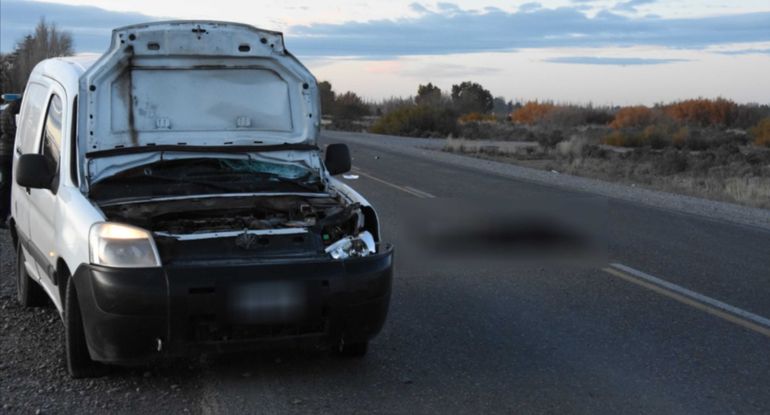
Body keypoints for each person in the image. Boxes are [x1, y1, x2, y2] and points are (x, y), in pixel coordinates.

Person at [0, 99, 21, 228]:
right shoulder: (18, 107)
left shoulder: (9, 109)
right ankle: (3, 215)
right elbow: (13, 131)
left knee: (6, 184)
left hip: (4, 152)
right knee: (8, 185)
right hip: (9, 153)